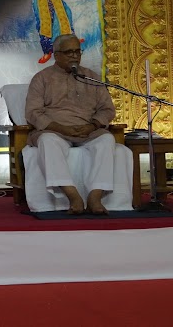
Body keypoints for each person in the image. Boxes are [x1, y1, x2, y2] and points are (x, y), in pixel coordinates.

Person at [25, 34, 116, 215]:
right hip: (55, 131)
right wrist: (60, 128)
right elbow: (32, 112)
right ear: (56, 55)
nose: (74, 56)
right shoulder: (41, 78)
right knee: (47, 142)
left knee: (106, 140)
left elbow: (107, 110)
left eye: (77, 52)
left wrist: (92, 125)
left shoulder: (92, 77)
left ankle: (95, 196)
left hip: (88, 130)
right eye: (69, 52)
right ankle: (72, 195)